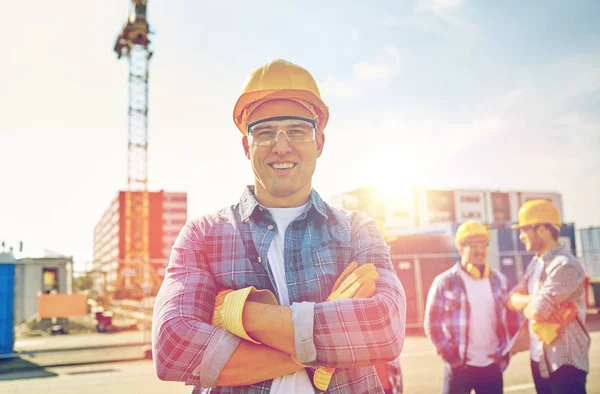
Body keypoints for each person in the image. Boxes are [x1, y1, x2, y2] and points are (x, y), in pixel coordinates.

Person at [151, 59, 406, 393]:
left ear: (319, 144)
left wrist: (238, 314)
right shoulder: (202, 235)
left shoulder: (358, 231)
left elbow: (384, 328)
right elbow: (173, 348)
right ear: (246, 146)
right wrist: (330, 344)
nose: (281, 145)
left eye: (297, 130)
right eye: (264, 132)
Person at [508, 199, 590, 394]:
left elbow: (538, 311)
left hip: (565, 362)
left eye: (524, 229)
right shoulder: (535, 264)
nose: (521, 237)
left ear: (543, 229)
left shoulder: (566, 265)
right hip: (539, 359)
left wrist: (532, 302)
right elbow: (511, 299)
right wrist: (536, 298)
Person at [424, 220, 510, 394]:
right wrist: (451, 357)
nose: (480, 250)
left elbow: (512, 320)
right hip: (459, 366)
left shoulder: (499, 281)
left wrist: (505, 352)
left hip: (492, 366)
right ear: (460, 248)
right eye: (474, 245)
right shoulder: (445, 281)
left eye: (483, 244)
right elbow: (432, 323)